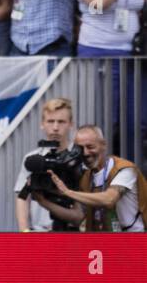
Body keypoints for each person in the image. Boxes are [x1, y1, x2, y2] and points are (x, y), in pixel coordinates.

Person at [49, 125, 147, 233]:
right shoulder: (85, 176)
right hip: (103, 242)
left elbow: (109, 199)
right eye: (80, 149)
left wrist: (68, 192)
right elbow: (77, 217)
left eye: (90, 147)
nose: (85, 153)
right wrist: (42, 200)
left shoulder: (125, 170)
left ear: (103, 145)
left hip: (135, 242)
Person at [14, 98, 82, 232]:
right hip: (39, 232)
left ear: (71, 124)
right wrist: (24, 231)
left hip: (72, 231)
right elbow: (22, 196)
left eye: (61, 122)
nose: (55, 127)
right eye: (50, 121)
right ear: (42, 124)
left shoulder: (78, 156)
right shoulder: (32, 160)